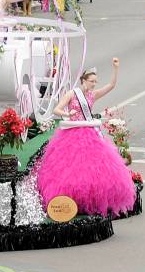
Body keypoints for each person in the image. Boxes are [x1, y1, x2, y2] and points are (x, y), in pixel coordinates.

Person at [37, 58, 136, 215]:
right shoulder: (72, 93)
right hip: (72, 133)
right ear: (83, 80)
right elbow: (57, 110)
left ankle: (91, 200)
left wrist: (115, 69)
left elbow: (111, 86)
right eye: (91, 81)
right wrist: (67, 113)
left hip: (89, 132)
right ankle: (69, 200)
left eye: (95, 82)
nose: (93, 84)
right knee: (70, 168)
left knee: (93, 168)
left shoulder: (92, 95)